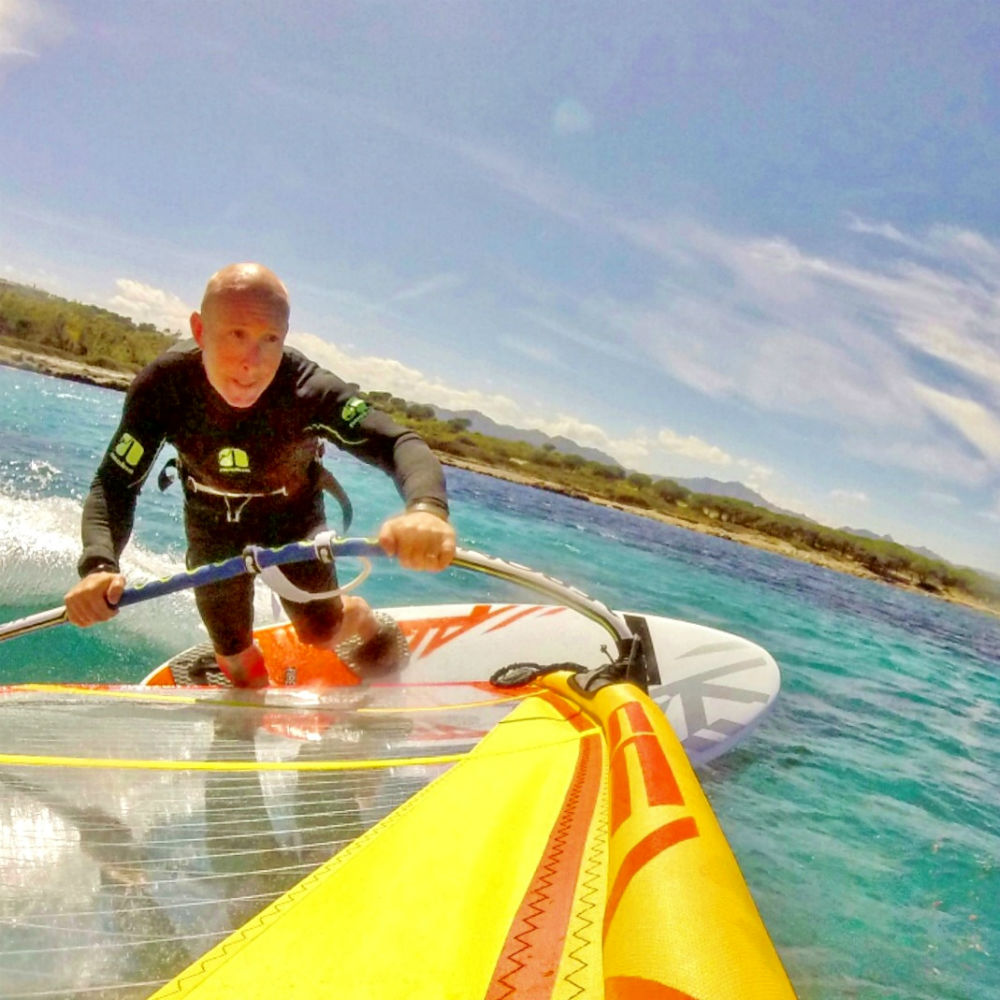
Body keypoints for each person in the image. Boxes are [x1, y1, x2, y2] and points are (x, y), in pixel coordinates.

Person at [64, 262, 456, 686]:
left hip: (291, 517)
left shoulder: (307, 389)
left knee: (321, 634)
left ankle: (360, 620)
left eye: (270, 339)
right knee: (234, 661)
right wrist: (99, 566)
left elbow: (399, 442)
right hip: (211, 521)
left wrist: (426, 509)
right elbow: (115, 482)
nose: (252, 363)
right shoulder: (164, 387)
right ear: (199, 330)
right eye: (236, 335)